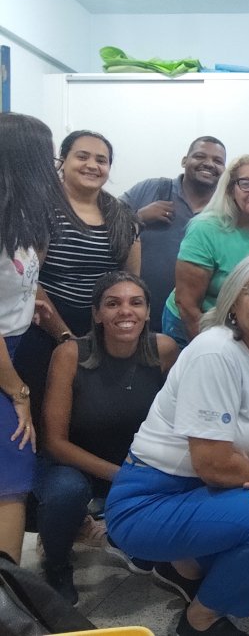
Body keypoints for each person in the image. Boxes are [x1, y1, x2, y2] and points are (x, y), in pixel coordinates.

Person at [105, 253, 249, 636]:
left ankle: (182, 565)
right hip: (148, 502)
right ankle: (200, 621)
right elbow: (213, 464)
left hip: (205, 494)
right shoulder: (215, 351)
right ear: (233, 301)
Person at [35, 271, 178, 604]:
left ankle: (131, 535)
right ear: (97, 314)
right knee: (65, 491)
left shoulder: (165, 350)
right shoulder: (70, 354)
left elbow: (180, 421)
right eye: (113, 303)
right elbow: (53, 442)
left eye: (136, 303)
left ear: (147, 311)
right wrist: (121, 474)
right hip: (75, 465)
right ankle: (56, 564)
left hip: (138, 462)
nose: (126, 311)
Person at [15, 130, 140, 432]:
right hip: (43, 329)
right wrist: (65, 336)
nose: (92, 165)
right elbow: (28, 279)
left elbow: (131, 280)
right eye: (82, 156)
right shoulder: (40, 208)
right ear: (63, 161)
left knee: (89, 415)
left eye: (101, 160)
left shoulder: (122, 215)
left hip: (102, 329)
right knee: (44, 414)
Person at [0, 113, 73, 565]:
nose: (54, 168)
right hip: (4, 363)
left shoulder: (20, 219)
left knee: (12, 473)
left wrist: (58, 330)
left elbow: (27, 287)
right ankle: (10, 594)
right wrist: (18, 391)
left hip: (13, 351)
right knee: (13, 468)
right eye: (49, 158)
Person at [163, 155, 249, 348]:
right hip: (191, 325)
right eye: (246, 184)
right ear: (230, 189)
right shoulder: (205, 228)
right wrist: (209, 350)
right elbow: (187, 304)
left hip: (238, 326)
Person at [121, 137, 227, 332]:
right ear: (184, 161)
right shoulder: (151, 189)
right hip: (135, 315)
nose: (209, 164)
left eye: (218, 161)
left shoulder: (226, 211)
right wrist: (139, 217)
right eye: (200, 156)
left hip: (193, 322)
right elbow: (104, 227)